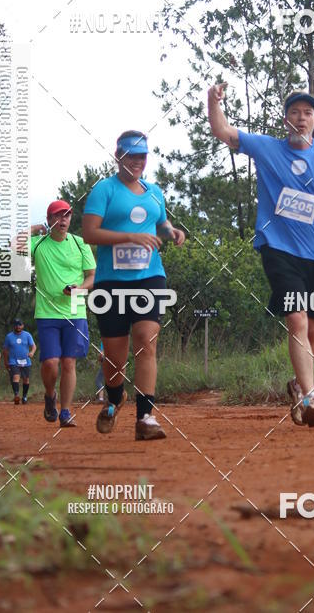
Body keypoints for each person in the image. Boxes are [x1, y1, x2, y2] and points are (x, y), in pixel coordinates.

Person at [208, 84, 314, 427]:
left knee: (312, 329)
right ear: (286, 120)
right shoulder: (267, 148)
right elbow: (222, 131)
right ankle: (312, 399)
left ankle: (299, 385)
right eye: (295, 113)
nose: (301, 118)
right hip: (278, 247)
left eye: (307, 113)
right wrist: (214, 101)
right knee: (296, 319)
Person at [82, 130, 185, 440]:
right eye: (132, 156)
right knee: (114, 356)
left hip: (149, 277)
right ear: (118, 157)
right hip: (111, 281)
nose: (138, 161)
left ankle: (145, 418)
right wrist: (130, 236)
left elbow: (161, 222)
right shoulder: (103, 191)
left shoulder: (154, 191)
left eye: (142, 156)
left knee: (145, 340)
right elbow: (89, 233)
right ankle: (115, 397)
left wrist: (172, 231)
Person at [28, 200, 96, 428]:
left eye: (67, 215)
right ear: (49, 220)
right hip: (47, 312)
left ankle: (65, 412)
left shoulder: (80, 244)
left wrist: (80, 288)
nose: (63, 220)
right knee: (50, 363)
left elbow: (92, 276)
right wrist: (34, 229)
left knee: (68, 362)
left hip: (75, 309)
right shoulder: (38, 244)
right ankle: (50, 395)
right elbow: (11, 247)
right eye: (58, 216)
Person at [3, 320, 36, 404]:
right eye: (16, 325)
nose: (18, 326)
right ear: (14, 326)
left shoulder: (27, 335)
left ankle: (24, 397)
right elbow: (5, 350)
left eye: (20, 325)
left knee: (26, 379)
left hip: (26, 360)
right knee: (16, 377)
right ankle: (16, 395)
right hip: (13, 360)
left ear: (23, 326)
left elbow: (33, 346)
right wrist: (6, 361)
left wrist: (32, 352)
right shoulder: (9, 336)